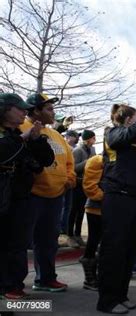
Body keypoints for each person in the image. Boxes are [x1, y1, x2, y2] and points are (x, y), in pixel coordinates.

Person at [97, 103, 136, 314]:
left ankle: (121, 294)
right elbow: (130, 133)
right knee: (114, 249)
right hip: (118, 198)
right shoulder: (113, 133)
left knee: (129, 249)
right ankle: (107, 300)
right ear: (127, 120)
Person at [19, 93, 76, 292]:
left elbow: (69, 160)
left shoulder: (56, 135)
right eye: (49, 109)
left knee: (48, 241)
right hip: (30, 195)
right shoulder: (20, 128)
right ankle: (12, 286)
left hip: (56, 195)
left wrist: (69, 178)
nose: (54, 113)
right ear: (35, 110)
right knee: (19, 242)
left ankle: (45, 279)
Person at [0, 93, 54, 299]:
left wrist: (36, 140)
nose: (24, 112)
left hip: (20, 196)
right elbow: (6, 152)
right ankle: (6, 288)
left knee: (18, 243)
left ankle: (14, 285)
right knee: (5, 243)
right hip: (5, 196)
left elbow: (45, 160)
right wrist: (24, 141)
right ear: (4, 110)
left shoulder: (18, 135)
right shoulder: (12, 137)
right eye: (19, 108)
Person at [79, 154, 104, 291]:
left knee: (103, 242)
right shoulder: (96, 160)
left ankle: (100, 276)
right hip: (96, 207)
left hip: (109, 207)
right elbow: (89, 186)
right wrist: (106, 197)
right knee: (94, 241)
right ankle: (89, 278)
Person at [68, 129, 96, 248]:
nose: (95, 140)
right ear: (88, 139)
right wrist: (88, 162)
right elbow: (74, 168)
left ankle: (78, 234)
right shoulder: (78, 150)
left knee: (82, 210)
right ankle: (70, 235)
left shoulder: (93, 150)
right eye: (93, 138)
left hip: (87, 184)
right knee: (73, 210)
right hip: (77, 185)